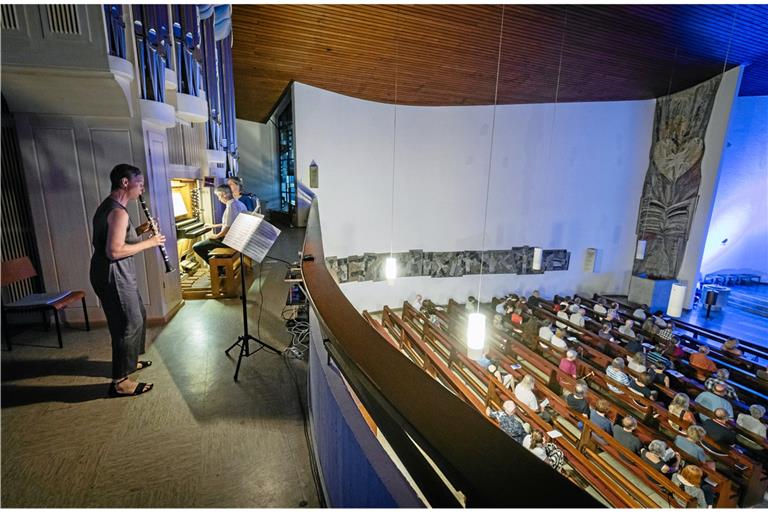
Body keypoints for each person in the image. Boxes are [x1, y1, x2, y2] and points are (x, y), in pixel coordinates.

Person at [90, 164, 165, 397]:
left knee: (137, 315)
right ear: (125, 182)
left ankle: (128, 363)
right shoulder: (119, 211)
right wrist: (151, 243)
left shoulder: (110, 206)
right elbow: (114, 251)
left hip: (109, 272)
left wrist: (142, 229)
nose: (142, 187)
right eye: (139, 182)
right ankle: (120, 382)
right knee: (127, 325)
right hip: (113, 273)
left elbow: (117, 237)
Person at [193, 184, 248, 264]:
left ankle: (219, 268)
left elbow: (227, 228)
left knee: (197, 247)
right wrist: (214, 225)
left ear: (224, 195)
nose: (219, 199)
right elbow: (229, 223)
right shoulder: (239, 203)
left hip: (230, 241)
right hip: (239, 238)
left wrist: (216, 236)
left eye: (219, 196)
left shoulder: (230, 207)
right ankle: (220, 263)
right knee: (209, 243)